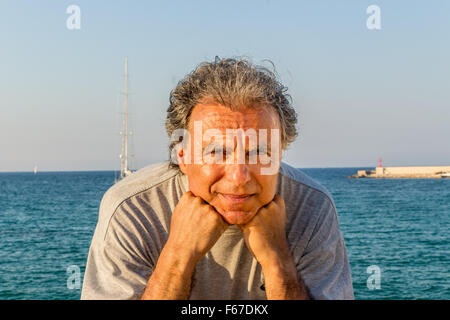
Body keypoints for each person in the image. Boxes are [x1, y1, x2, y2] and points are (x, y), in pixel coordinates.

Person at [81, 57, 354, 300]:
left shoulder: (313, 208)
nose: (238, 176)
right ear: (183, 156)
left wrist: (277, 260)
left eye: (259, 153)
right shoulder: (133, 208)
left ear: (280, 155)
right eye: (216, 152)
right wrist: (177, 256)